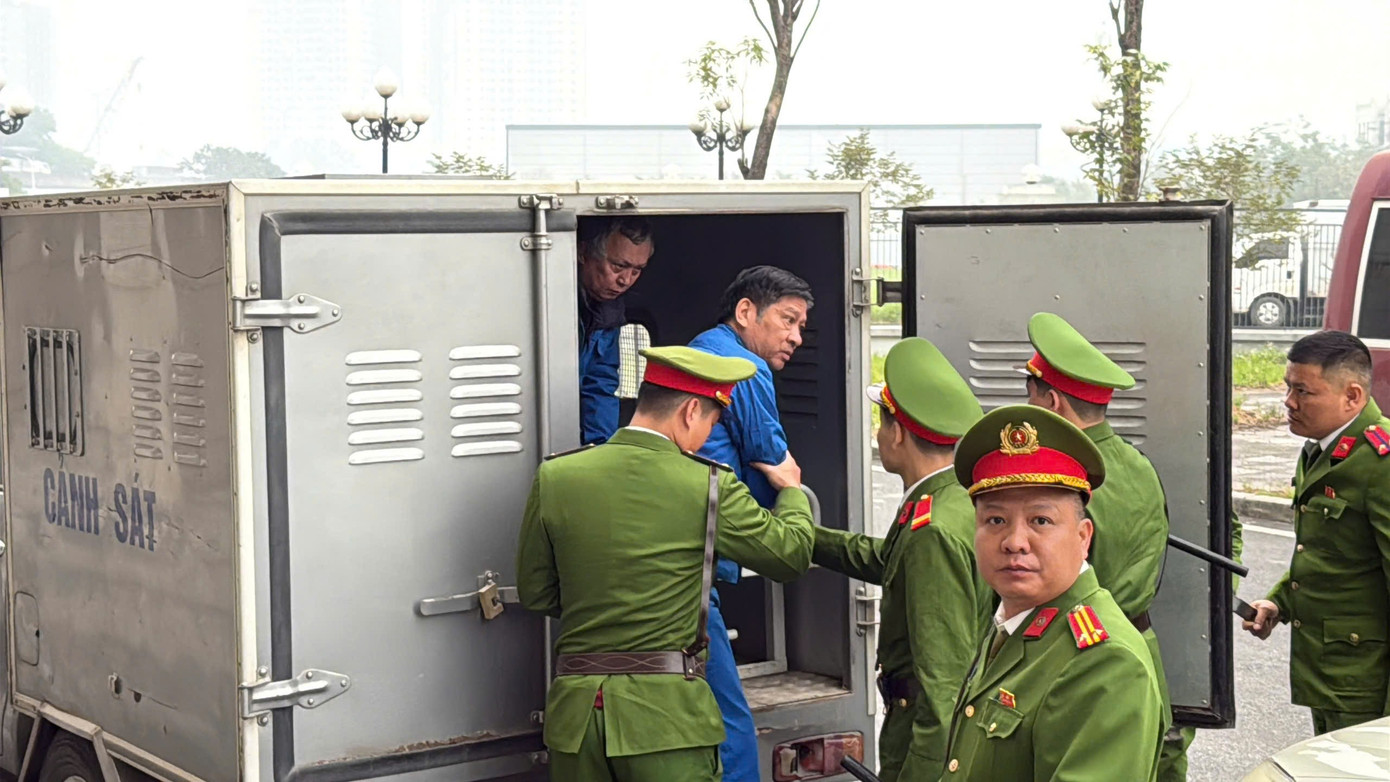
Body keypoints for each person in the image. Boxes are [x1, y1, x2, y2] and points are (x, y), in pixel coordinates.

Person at [516, 346, 816, 782]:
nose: (708, 435)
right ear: (691, 411)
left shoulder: (556, 476)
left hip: (577, 724)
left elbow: (536, 592)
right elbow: (790, 554)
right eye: (713, 422)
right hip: (665, 724)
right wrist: (790, 491)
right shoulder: (708, 484)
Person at [941, 405, 1165, 781]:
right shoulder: (1016, 620)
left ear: (1083, 537)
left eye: (1040, 521)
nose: (1014, 541)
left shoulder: (1104, 662)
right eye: (995, 520)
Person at [811, 338, 990, 781]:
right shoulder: (954, 499)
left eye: (881, 422)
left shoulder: (931, 531)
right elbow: (889, 561)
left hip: (922, 739)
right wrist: (806, 538)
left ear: (896, 434)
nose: (878, 434)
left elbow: (943, 685)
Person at [1020, 312, 1181, 775]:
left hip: (1077, 662)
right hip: (1140, 649)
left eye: (1030, 398)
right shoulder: (1137, 463)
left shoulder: (1063, 482)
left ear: (1051, 402)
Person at [686, 265, 814, 781]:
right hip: (700, 563)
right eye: (788, 320)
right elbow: (775, 461)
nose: (796, 337)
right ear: (745, 312)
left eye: (801, 326)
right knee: (730, 720)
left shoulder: (699, 350)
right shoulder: (744, 367)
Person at [1243, 330, 1390, 735]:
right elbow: (1327, 552)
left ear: (1352, 397)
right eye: (1288, 387)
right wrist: (1279, 603)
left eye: (1303, 391)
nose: (1289, 402)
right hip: (1330, 674)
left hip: (1367, 682)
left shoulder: (1380, 463)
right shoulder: (1320, 448)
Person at [577, 217, 654, 445]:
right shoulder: (550, 305)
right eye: (618, 266)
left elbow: (600, 383)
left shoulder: (610, 313)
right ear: (583, 253)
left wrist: (600, 449)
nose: (625, 280)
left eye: (637, 270)